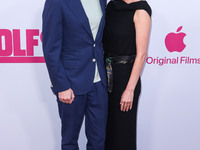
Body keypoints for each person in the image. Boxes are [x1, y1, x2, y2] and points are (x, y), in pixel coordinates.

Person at [42, 0, 108, 149]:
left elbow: (96, 41)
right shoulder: (56, 2)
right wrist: (61, 86)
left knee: (98, 141)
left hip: (99, 82)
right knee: (70, 141)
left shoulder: (101, 1)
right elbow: (50, 49)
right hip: (71, 82)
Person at [103, 0, 151, 150]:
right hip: (105, 75)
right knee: (106, 131)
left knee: (122, 132)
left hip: (126, 78)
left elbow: (141, 55)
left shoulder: (141, 10)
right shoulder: (111, 6)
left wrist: (129, 90)